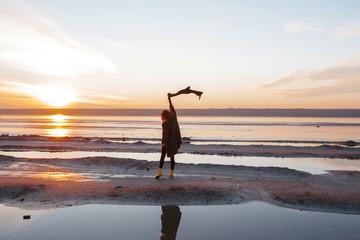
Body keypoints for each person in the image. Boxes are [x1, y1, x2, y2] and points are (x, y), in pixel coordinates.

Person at [155, 93, 182, 178]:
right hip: (174, 143)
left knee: (162, 157)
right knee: (172, 158)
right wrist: (169, 99)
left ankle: (160, 172)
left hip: (167, 143)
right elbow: (172, 108)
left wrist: (163, 143)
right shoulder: (174, 119)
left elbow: (165, 134)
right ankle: (172, 174)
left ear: (163, 116)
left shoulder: (165, 124)